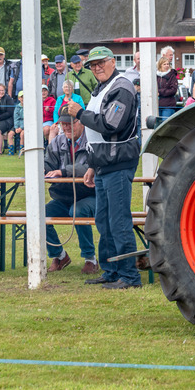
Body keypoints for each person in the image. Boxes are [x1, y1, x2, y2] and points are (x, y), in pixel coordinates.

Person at [65, 46, 142, 289]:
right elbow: (97, 134)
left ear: (112, 62)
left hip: (118, 162)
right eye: (92, 65)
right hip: (103, 163)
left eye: (100, 63)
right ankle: (110, 271)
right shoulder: (103, 88)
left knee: (118, 221)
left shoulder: (122, 87)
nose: (96, 68)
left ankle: (130, 276)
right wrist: (91, 165)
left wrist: (80, 113)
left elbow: (111, 124)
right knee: (104, 220)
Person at [43, 108, 99, 274]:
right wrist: (40, 169)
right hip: (63, 196)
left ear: (80, 122)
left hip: (91, 195)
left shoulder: (93, 140)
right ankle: (59, 255)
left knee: (78, 210)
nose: (66, 127)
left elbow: (90, 167)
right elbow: (48, 163)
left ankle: (90, 259)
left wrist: (63, 172)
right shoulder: (56, 142)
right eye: (63, 124)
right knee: (39, 213)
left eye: (70, 123)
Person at [8, 90, 25, 155]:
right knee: (10, 134)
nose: (23, 98)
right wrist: (16, 127)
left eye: (24, 97)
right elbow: (16, 118)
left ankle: (21, 150)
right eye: (21, 97)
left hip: (25, 126)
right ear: (19, 98)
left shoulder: (29, 107)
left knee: (22, 134)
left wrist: (21, 127)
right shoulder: (17, 107)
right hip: (17, 125)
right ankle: (11, 150)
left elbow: (27, 119)